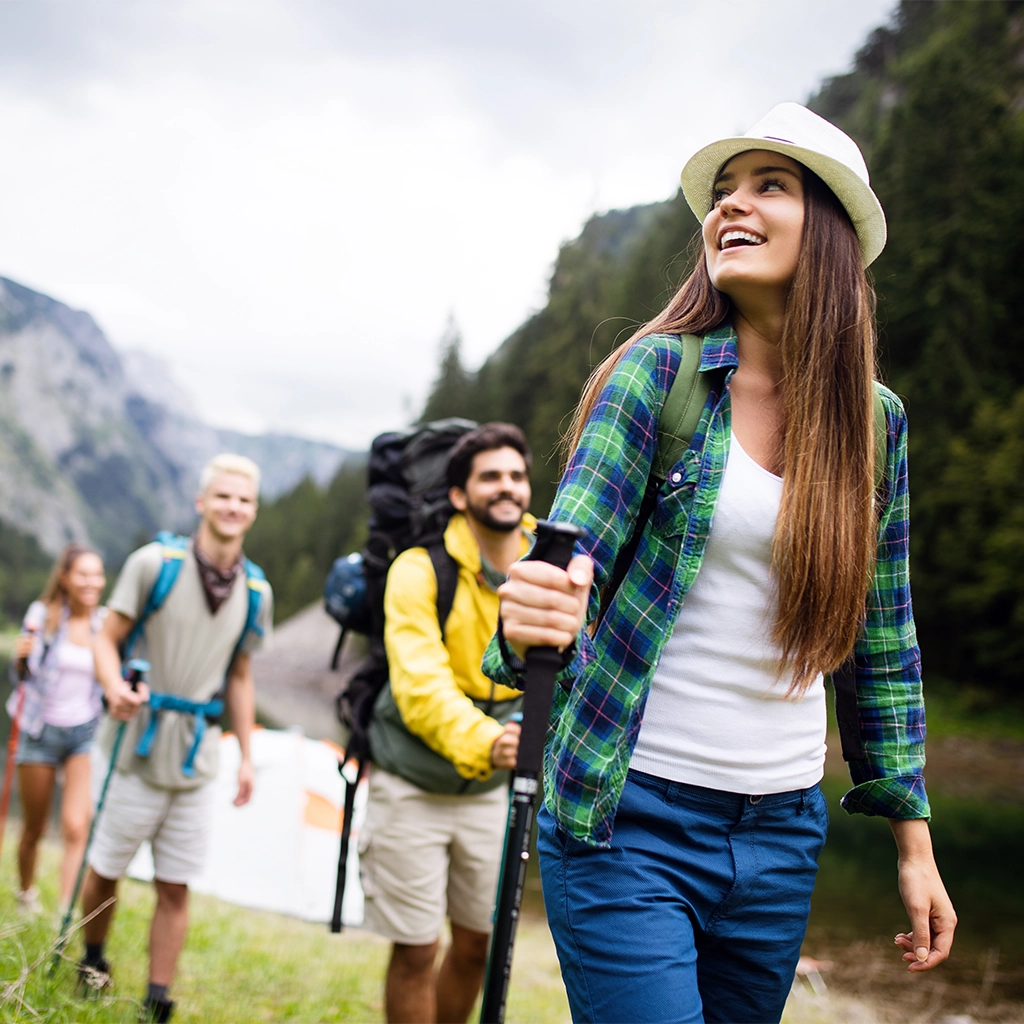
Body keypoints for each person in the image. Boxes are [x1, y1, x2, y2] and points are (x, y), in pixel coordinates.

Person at [488, 103, 958, 1024]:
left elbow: (883, 639)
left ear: (827, 225)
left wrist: (914, 840)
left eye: (767, 185)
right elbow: (571, 552)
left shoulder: (877, 424)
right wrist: (536, 616)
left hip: (781, 834)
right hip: (629, 817)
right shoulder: (655, 376)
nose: (730, 207)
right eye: (722, 192)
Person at [78, 453, 272, 1023]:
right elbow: (104, 640)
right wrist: (114, 686)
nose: (233, 507)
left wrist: (245, 755)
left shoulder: (256, 592)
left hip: (196, 757)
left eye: (244, 500)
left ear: (253, 511)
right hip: (133, 746)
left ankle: (157, 999)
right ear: (202, 502)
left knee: (176, 883)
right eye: (224, 496)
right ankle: (93, 959)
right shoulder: (153, 563)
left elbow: (240, 674)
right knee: (106, 870)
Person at [359, 422, 535, 1024]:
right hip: (411, 780)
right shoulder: (418, 570)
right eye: (490, 477)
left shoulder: (554, 563)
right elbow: (420, 686)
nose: (506, 487)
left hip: (492, 791)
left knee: (477, 945)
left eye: (516, 475)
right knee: (416, 948)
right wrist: (491, 740)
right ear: (459, 495)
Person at [8, 544, 106, 914]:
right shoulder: (43, 615)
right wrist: (19, 660)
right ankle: (26, 895)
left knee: (75, 826)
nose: (92, 582)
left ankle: (65, 911)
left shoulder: (105, 622)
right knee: (33, 827)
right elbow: (20, 676)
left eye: (97, 575)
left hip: (84, 732)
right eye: (83, 574)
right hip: (38, 730)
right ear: (64, 578)